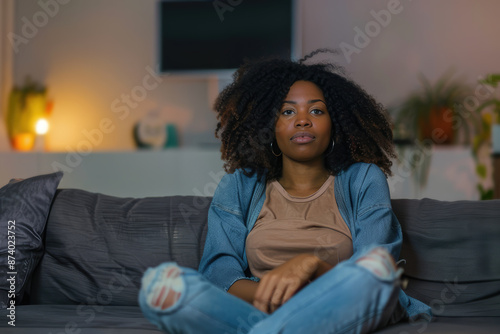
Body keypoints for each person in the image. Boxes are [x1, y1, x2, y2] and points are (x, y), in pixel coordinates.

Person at [139, 49, 432, 333]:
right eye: (287, 111)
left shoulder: (363, 178)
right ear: (269, 126)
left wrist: (310, 266)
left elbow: (372, 267)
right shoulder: (240, 185)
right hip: (258, 306)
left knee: (378, 272)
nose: (302, 120)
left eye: (316, 110)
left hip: (336, 304)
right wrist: (270, 298)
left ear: (335, 124)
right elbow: (219, 271)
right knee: (163, 287)